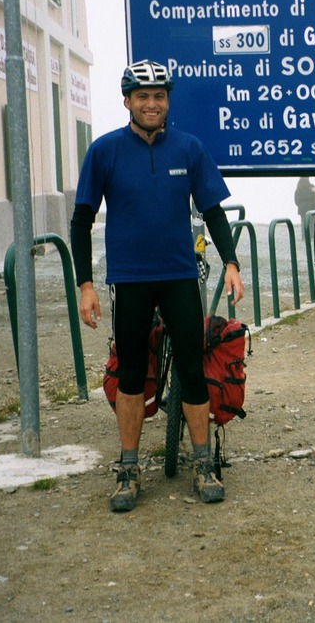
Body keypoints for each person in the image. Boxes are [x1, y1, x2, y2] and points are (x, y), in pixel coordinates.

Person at [70, 60, 244, 513]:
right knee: (130, 373)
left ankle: (203, 464)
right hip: (129, 280)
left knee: (192, 368)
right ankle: (128, 469)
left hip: (180, 276)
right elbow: (81, 221)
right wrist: (85, 285)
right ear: (127, 100)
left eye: (159, 96)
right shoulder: (104, 151)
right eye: (142, 96)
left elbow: (213, 210)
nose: (152, 104)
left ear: (168, 101)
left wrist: (230, 262)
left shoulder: (188, 148)